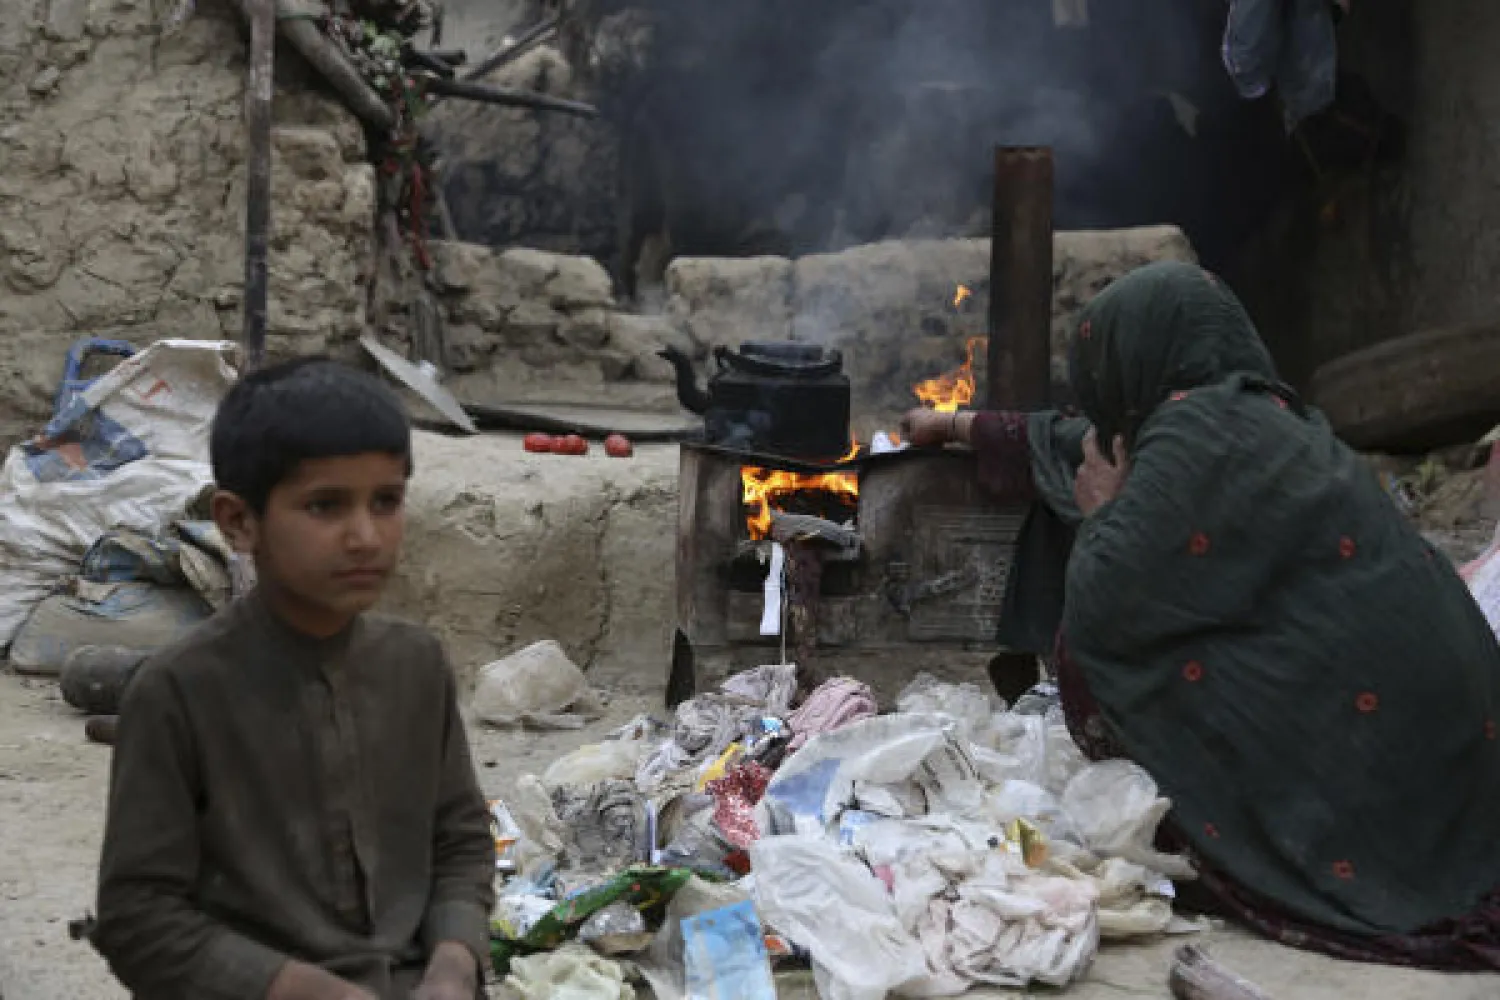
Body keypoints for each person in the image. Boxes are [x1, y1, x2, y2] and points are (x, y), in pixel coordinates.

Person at [902, 260, 1500, 969]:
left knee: (1147, 651)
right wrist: (953, 425)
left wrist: (1101, 514)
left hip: (1380, 798)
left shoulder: (1195, 438)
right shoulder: (1269, 420)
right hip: (1459, 756)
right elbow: (1073, 441)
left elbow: (1104, 607)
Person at [91, 359, 496, 1000]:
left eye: (385, 501)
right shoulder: (179, 692)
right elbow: (138, 915)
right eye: (325, 506)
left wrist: (453, 965)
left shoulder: (416, 665)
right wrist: (295, 987)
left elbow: (461, 843)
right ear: (238, 521)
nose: (366, 536)